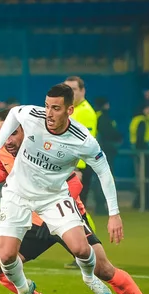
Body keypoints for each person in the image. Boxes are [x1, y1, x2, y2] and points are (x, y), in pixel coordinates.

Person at [0, 108, 149, 294]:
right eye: (3, 135)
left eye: (13, 133)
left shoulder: (43, 147)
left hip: (65, 216)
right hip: (33, 222)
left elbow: (74, 181)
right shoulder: (5, 150)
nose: (8, 140)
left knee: (103, 269)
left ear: (26, 129)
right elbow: (4, 169)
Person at [0, 83, 124, 294]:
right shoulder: (33, 116)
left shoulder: (84, 140)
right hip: (17, 194)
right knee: (5, 257)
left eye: (55, 108)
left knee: (81, 249)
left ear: (69, 110)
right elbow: (14, 113)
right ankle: (25, 291)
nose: (49, 113)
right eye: (47, 106)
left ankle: (89, 278)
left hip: (54, 197)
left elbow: (104, 172)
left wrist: (114, 214)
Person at [64, 76, 97, 206]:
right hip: (69, 165)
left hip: (79, 167)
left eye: (73, 89)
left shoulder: (86, 112)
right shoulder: (71, 109)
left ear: (82, 91)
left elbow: (84, 143)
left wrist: (77, 168)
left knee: (77, 209)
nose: (70, 93)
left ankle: (86, 227)